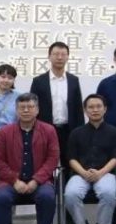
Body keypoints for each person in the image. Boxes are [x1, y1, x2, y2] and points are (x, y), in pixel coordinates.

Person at [0, 93, 59, 224]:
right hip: (11, 182)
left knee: (47, 197)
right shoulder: (5, 132)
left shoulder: (49, 130)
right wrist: (15, 181)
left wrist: (36, 180)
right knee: (0, 198)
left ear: (37, 110)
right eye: (22, 107)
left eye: (30, 107)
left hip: (40, 182)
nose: (26, 110)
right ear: (16, 110)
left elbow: (52, 158)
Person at [64, 94, 116, 224]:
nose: (95, 110)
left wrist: (100, 173)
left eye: (98, 106)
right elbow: (71, 158)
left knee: (109, 193)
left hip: (105, 173)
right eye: (91, 107)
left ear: (105, 109)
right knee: (70, 194)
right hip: (80, 173)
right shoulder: (76, 133)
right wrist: (83, 173)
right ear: (85, 110)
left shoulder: (115, 132)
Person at [30, 41, 84, 169]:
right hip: (45, 129)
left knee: (69, 162)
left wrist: (80, 131)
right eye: (56, 54)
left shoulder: (73, 80)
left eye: (63, 54)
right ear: (49, 56)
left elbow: (78, 108)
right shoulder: (38, 81)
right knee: (45, 163)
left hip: (68, 130)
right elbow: (32, 107)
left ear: (67, 57)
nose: (59, 57)